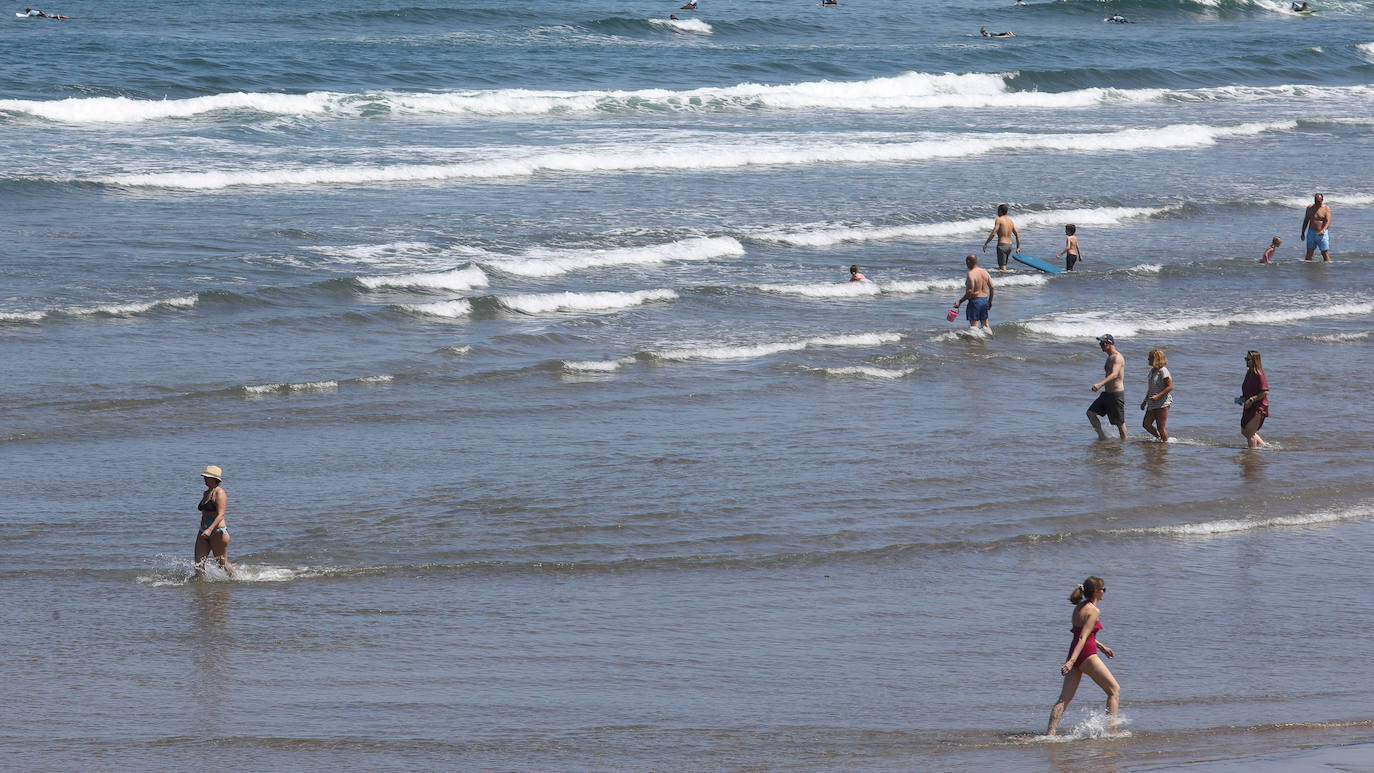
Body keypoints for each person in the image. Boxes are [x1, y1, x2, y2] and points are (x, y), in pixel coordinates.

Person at [1046, 576, 1120, 736]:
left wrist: (1101, 647)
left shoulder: (1078, 607)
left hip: (1075, 653)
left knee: (1064, 698)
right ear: (1096, 591)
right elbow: (1083, 638)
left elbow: (1083, 634)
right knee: (1114, 690)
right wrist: (1072, 662)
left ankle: (1050, 734)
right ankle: (1112, 732)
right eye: (1103, 590)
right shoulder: (1094, 610)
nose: (1104, 593)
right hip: (1086, 655)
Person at [195, 465, 236, 579]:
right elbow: (204, 513)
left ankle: (235, 579)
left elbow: (221, 514)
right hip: (204, 531)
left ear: (214, 479)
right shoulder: (206, 493)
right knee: (198, 563)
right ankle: (200, 589)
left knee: (221, 563)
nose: (204, 478)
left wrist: (209, 530)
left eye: (206, 477)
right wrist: (202, 529)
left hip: (218, 531)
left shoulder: (220, 493)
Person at [1088, 334, 1127, 440]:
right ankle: (1102, 436)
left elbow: (1114, 374)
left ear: (1109, 344)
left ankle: (1124, 442)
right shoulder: (1109, 357)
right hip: (1107, 394)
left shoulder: (1117, 357)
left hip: (1116, 394)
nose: (1100, 345)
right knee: (1090, 413)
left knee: (1119, 423)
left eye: (1102, 343)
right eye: (1100, 343)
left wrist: (1100, 384)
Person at [952, 253, 994, 331]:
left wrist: (960, 302)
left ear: (968, 262)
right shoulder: (984, 272)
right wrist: (990, 301)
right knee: (985, 324)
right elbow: (992, 287)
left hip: (975, 302)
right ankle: (990, 340)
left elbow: (970, 291)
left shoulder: (971, 274)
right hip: (984, 300)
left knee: (974, 326)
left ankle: (975, 343)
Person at [1140, 348, 1173, 442]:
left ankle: (1164, 446)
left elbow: (1170, 387)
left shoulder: (1163, 371)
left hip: (1162, 402)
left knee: (1161, 427)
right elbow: (1150, 388)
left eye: (1150, 358)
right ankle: (1160, 440)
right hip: (1152, 401)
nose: (1148, 359)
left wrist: (1158, 396)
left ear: (1156, 359)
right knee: (1146, 424)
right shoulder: (1152, 371)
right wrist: (1145, 401)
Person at [1240, 350, 1269, 448]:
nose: (1246, 361)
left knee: (1250, 433)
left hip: (1258, 407)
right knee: (1244, 431)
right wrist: (1241, 399)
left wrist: (1252, 400)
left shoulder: (1259, 374)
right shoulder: (1249, 373)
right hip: (1248, 406)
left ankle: (1251, 456)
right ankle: (1264, 447)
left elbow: (1265, 392)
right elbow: (1248, 390)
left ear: (1255, 361)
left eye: (1248, 359)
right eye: (1245, 359)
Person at [982, 204, 1020, 271]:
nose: (997, 212)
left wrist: (986, 243)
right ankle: (1004, 279)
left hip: (1002, 246)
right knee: (1003, 265)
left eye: (998, 211)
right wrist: (1018, 247)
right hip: (1010, 246)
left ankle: (1005, 280)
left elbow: (993, 233)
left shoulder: (999, 220)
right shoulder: (1010, 221)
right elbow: (1017, 234)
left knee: (1003, 268)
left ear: (1000, 211)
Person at [1300, 193, 1331, 261]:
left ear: (1322, 200)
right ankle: (1307, 270)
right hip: (1311, 233)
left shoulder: (1326, 208)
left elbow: (1327, 221)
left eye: (1319, 201)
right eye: (1316, 201)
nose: (1317, 203)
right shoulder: (1310, 208)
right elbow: (1306, 220)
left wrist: (1323, 230)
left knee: (1324, 253)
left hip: (1322, 233)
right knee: (1309, 253)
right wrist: (1303, 232)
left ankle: (1329, 269)